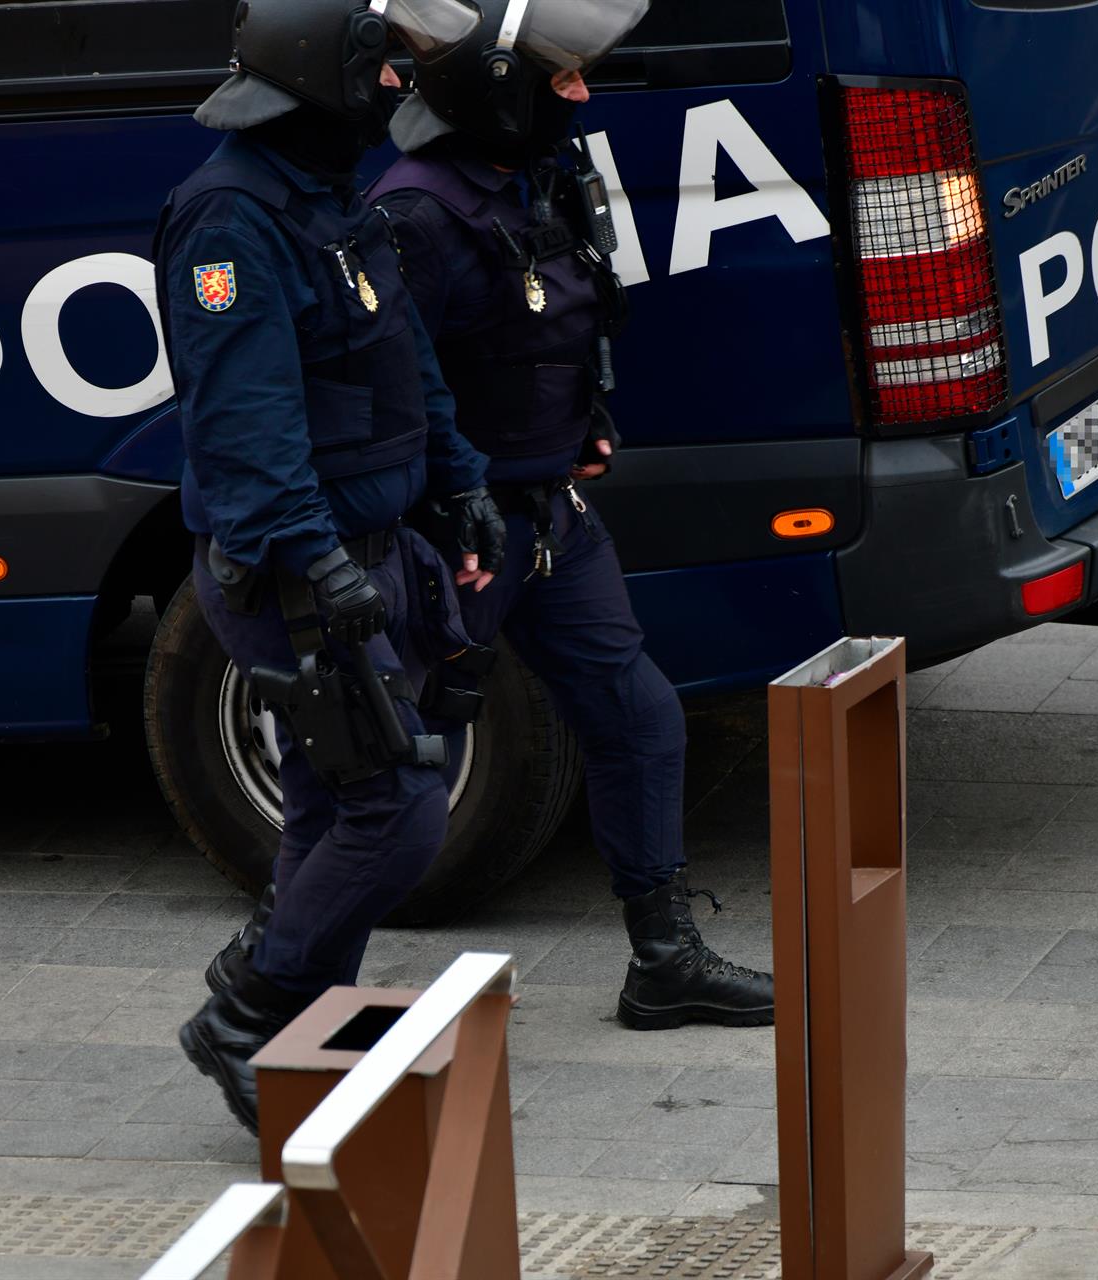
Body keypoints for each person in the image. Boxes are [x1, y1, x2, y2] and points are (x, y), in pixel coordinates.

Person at [368, 0, 775, 1030]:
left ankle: (664, 958)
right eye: (561, 81)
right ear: (498, 98)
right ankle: (277, 969)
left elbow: (561, 314)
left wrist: (582, 421)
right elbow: (386, 397)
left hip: (547, 513)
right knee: (389, 759)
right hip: (459, 532)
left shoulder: (527, 178)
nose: (584, 94)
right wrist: (440, 525)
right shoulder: (415, 216)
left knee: (640, 716)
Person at [157, 0, 507, 1131]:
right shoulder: (229, 222)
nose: (400, 92)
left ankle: (313, 1034)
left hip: (378, 543)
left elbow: (408, 366)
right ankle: (246, 1010)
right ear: (320, 84)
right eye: (382, 75)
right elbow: (245, 431)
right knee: (400, 807)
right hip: (295, 572)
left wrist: (462, 481)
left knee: (329, 804)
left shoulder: (331, 203)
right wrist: (315, 565)